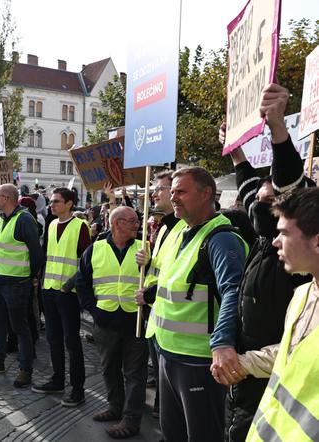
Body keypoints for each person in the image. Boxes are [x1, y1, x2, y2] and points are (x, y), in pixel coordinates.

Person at [222, 83, 315, 441]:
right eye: (259, 202)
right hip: (251, 379)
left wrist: (278, 129)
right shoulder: (265, 242)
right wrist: (236, 152)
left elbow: (289, 180)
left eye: (273, 201)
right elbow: (250, 188)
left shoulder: (297, 255)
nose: (262, 205)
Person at [136, 167, 247, 442]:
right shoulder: (181, 232)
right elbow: (173, 283)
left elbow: (234, 291)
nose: (173, 197)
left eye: (181, 191)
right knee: (172, 433)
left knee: (202, 436)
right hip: (167, 352)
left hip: (199, 361)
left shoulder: (221, 239)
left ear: (206, 193)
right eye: (172, 191)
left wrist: (222, 342)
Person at [212, 188, 319, 441]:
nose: (275, 241)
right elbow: (290, 355)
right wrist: (242, 363)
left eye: (283, 233)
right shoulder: (303, 294)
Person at [77, 207, 148, 438]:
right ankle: (115, 407)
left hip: (135, 320)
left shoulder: (144, 249)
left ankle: (131, 419)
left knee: (135, 373)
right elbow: (82, 281)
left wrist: (149, 265)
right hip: (105, 320)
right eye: (132, 221)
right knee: (109, 369)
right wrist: (94, 311)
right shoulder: (95, 249)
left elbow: (157, 278)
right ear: (117, 223)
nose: (138, 225)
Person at [0, 184, 44, 389]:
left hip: (17, 282)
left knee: (19, 327)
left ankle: (25, 369)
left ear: (5, 198)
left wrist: (31, 276)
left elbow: (36, 253)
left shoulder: (24, 219)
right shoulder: (0, 219)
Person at [34, 188, 92, 405]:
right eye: (51, 201)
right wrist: (40, 281)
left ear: (69, 203)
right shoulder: (51, 224)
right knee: (53, 338)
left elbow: (87, 264)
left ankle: (78, 389)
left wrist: (69, 286)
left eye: (57, 201)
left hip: (68, 293)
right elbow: (48, 256)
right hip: (48, 289)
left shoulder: (80, 226)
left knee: (72, 341)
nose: (52, 205)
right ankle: (57, 379)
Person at [135, 170, 184, 420]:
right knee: (161, 373)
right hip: (155, 309)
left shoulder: (184, 227)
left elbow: (177, 272)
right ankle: (162, 410)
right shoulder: (164, 227)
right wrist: (147, 259)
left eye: (161, 189)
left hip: (174, 315)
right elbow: (160, 265)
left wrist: (150, 294)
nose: (154, 193)